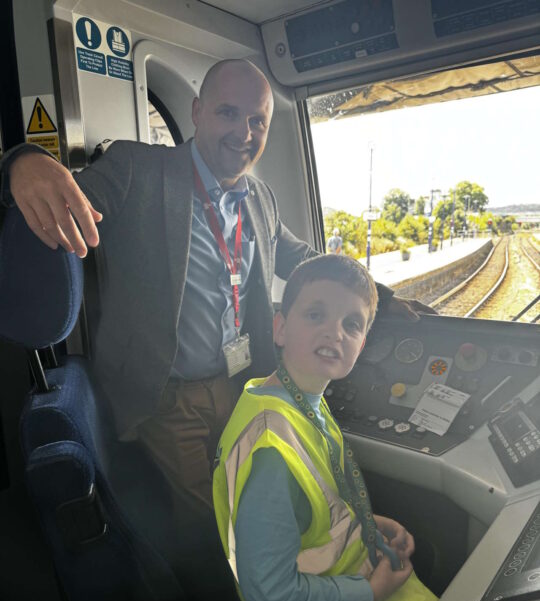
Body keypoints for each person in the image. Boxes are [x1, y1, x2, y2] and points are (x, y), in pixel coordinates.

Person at [0, 59, 433, 513]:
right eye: (228, 113)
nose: (243, 133)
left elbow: (307, 261)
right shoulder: (136, 171)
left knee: (274, 496)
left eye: (257, 121)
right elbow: (58, 196)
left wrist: (379, 298)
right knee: (215, 520)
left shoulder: (261, 198)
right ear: (196, 111)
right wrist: (23, 161)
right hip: (165, 398)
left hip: (241, 384)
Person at [213, 254, 437, 601]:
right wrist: (372, 594)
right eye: (316, 315)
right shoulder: (272, 448)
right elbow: (271, 596)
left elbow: (318, 504)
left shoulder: (299, 400)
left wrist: (368, 523)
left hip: (344, 576)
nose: (335, 332)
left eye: (352, 324)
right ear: (279, 328)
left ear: (361, 344)